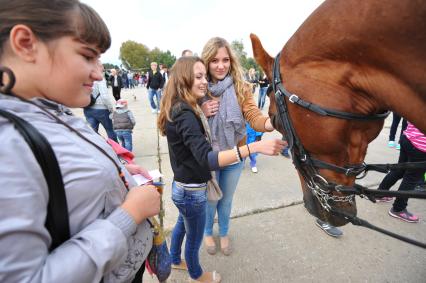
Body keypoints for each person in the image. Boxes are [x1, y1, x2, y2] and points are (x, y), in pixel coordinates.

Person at [0, 1, 160, 282]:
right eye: (88, 56)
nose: (99, 73)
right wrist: (129, 215)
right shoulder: (8, 146)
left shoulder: (50, 108)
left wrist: (120, 170)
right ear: (26, 44)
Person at [157, 56, 285, 283]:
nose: (204, 81)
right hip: (192, 191)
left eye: (204, 77)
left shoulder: (179, 107)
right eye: (198, 76)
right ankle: (197, 275)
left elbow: (252, 116)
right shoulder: (186, 114)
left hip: (181, 186)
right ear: (183, 79)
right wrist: (253, 147)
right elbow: (207, 159)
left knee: (181, 226)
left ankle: (175, 259)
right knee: (194, 239)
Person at [199, 37, 277, 256]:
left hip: (234, 155)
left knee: (226, 199)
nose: (221, 65)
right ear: (206, 62)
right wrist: (201, 112)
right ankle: (207, 231)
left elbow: (253, 115)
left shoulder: (241, 86)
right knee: (210, 200)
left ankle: (223, 232)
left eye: (225, 60)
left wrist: (271, 123)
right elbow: (184, 120)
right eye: (214, 60)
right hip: (208, 158)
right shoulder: (197, 87)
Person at [377, 122, 426, 222]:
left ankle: (379, 193)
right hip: (421, 146)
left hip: (408, 137)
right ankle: (398, 209)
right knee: (411, 178)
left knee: (399, 170)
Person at [83, 63, 117, 142]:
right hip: (101, 109)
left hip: (88, 109)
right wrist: (110, 108)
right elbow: (104, 96)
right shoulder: (99, 79)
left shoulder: (84, 77)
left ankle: (99, 147)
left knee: (92, 132)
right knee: (110, 130)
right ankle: (116, 150)